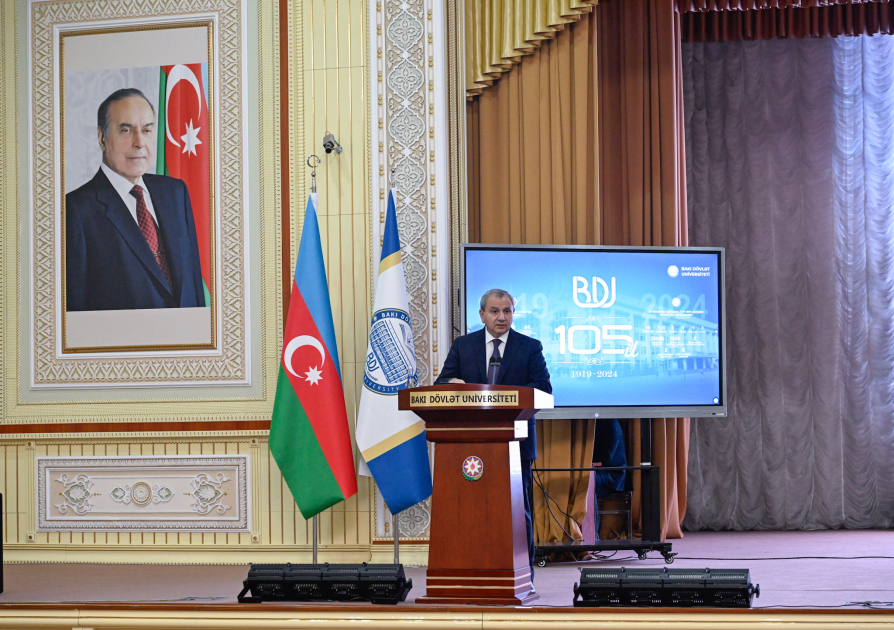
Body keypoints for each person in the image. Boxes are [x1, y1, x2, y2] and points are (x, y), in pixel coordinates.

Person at [435, 288, 551, 594]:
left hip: (515, 445)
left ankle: (524, 579)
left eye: (507, 311)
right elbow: (441, 384)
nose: (502, 317)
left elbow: (542, 388)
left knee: (518, 512)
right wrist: (452, 385)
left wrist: (505, 397)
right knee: (470, 511)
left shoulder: (529, 347)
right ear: (482, 314)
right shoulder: (464, 346)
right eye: (495, 311)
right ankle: (470, 573)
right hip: (467, 446)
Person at [65, 88, 206, 312]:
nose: (139, 142)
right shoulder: (76, 210)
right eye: (126, 130)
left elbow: (194, 284)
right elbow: (74, 311)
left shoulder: (175, 192)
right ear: (102, 138)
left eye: (147, 130)